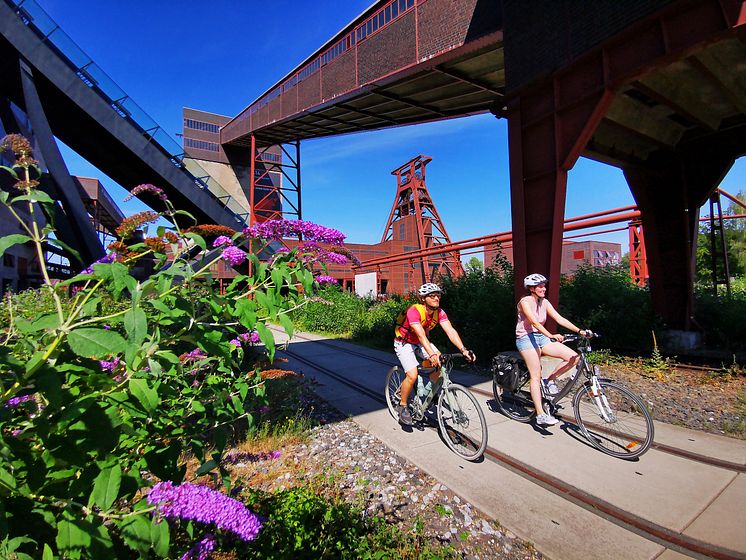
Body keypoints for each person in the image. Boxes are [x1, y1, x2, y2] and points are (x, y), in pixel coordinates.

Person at [394, 282, 475, 425]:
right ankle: (402, 405)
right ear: (423, 298)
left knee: (440, 365)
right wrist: (431, 354)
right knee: (412, 375)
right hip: (404, 342)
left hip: (420, 343)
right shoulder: (414, 310)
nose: (436, 298)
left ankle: (428, 395)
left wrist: (463, 349)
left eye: (438, 295)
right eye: (432, 296)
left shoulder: (440, 312)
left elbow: (450, 331)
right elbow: (421, 335)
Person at [516, 273, 590, 426]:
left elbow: (559, 318)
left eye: (544, 285)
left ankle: (549, 380)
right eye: (540, 286)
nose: (544, 288)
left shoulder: (544, 302)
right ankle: (540, 414)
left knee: (574, 357)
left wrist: (580, 331)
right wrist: (551, 335)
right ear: (531, 288)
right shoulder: (525, 301)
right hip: (526, 339)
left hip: (541, 338)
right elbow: (534, 322)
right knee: (535, 375)